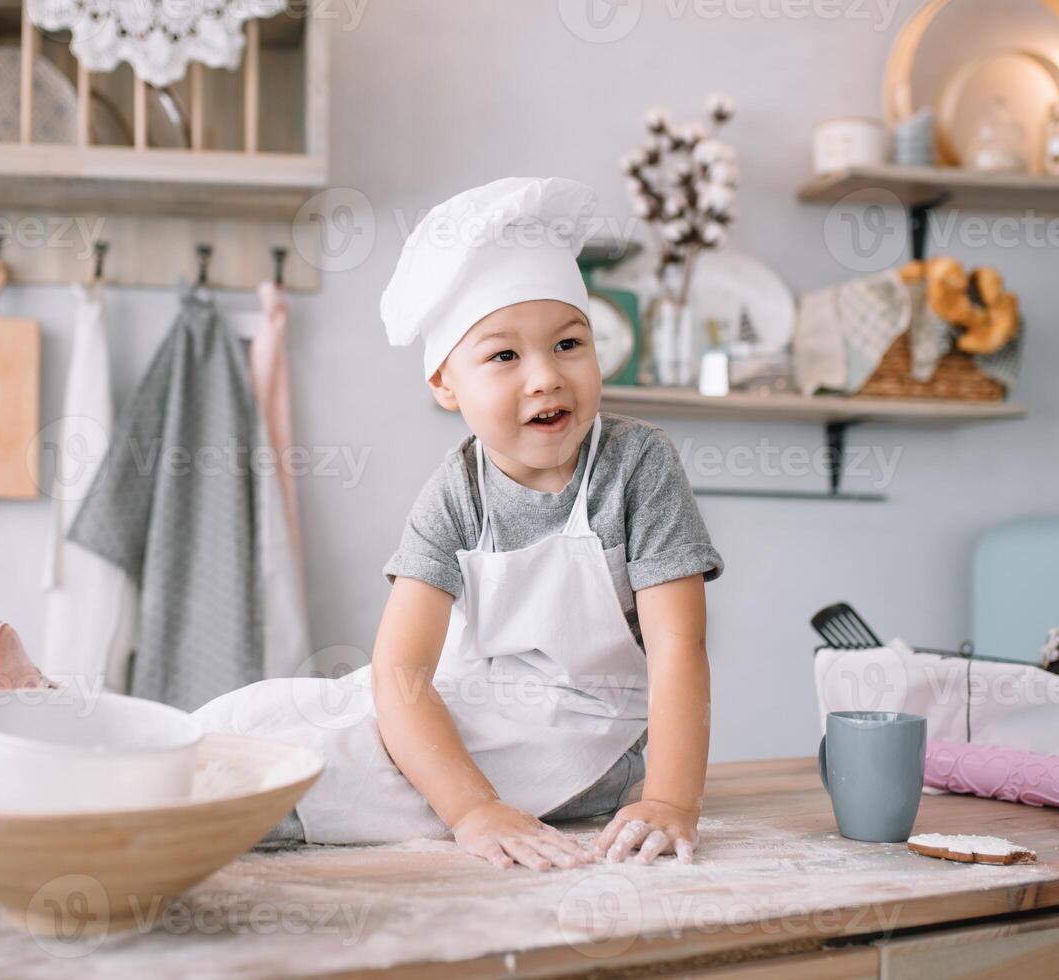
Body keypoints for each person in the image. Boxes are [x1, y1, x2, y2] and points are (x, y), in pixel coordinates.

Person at [193, 176, 724, 870]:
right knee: (280, 715)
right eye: (504, 355)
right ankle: (113, 743)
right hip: (471, 701)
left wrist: (670, 802)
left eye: (569, 344)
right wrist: (473, 807)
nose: (544, 378)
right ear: (447, 385)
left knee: (355, 767)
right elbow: (399, 674)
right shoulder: (455, 494)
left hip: (580, 739)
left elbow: (680, 648)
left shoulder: (637, 467)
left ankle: (125, 787)